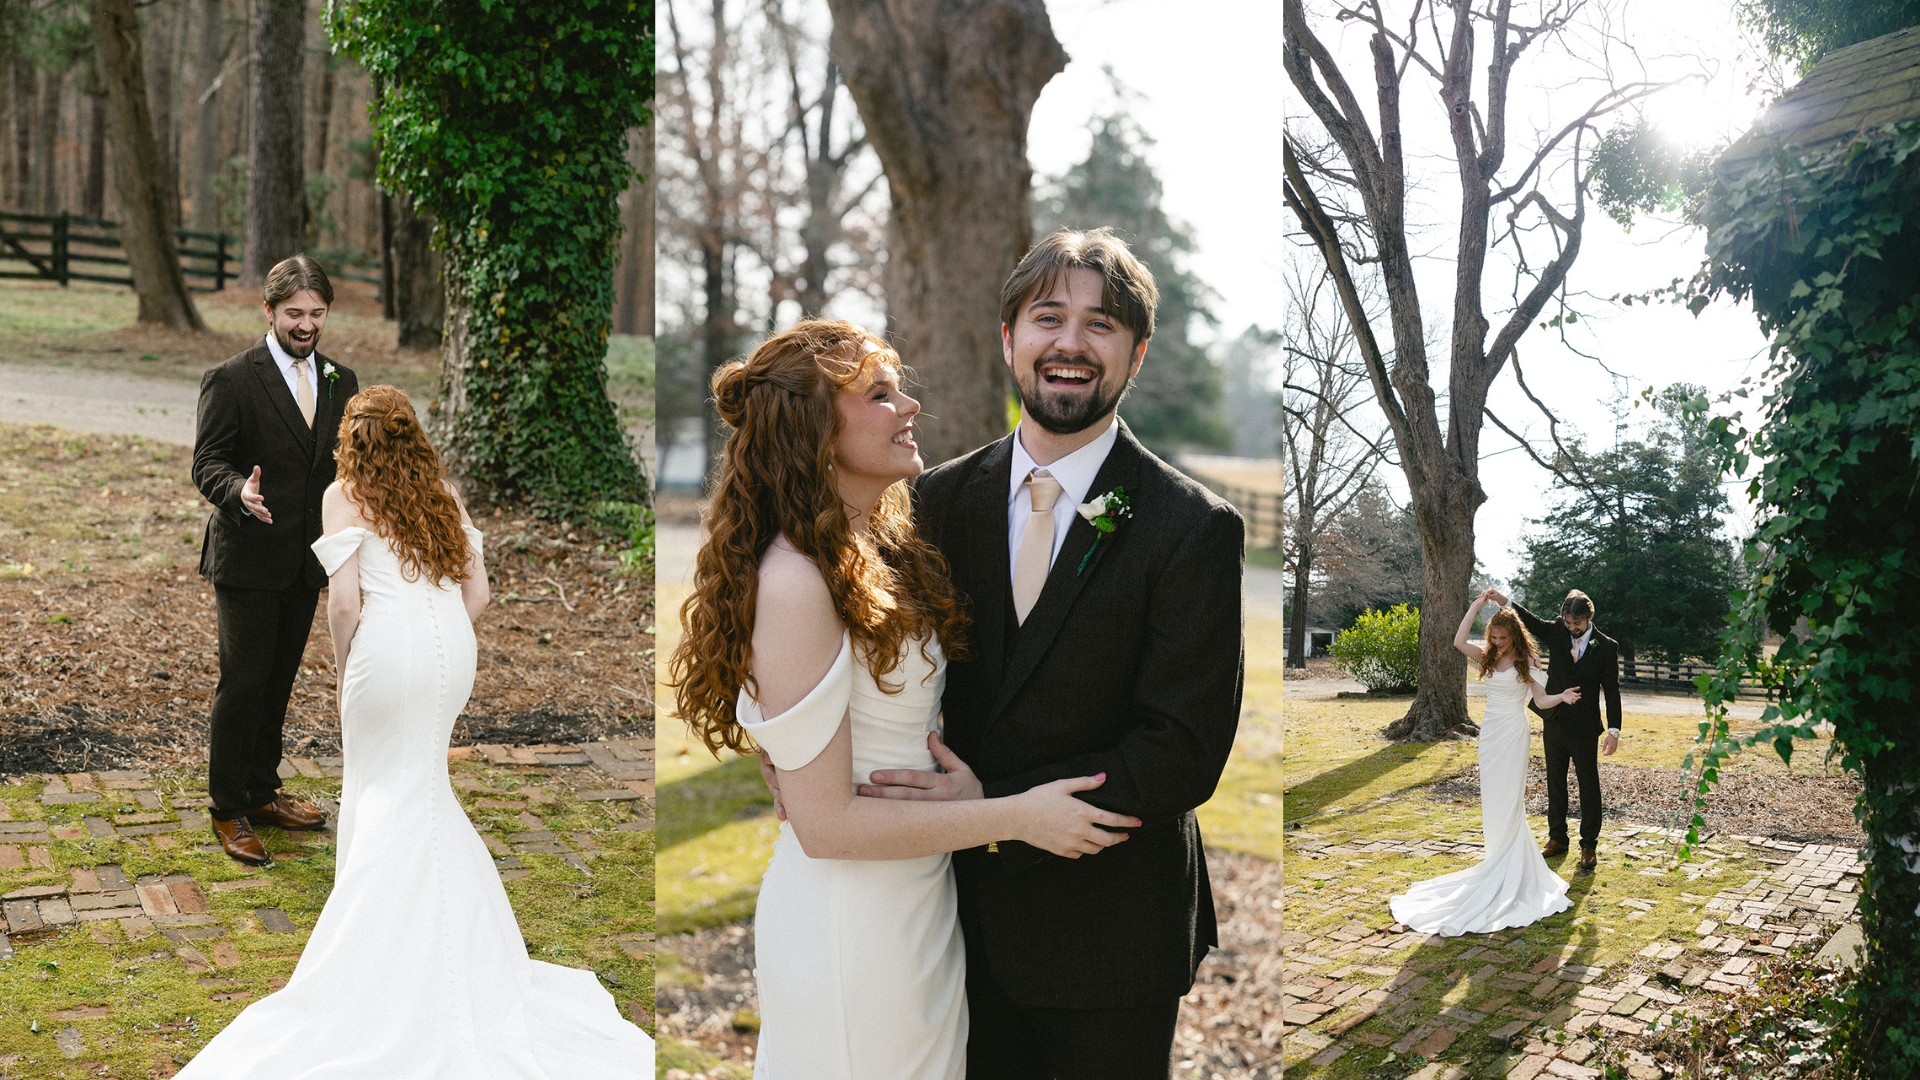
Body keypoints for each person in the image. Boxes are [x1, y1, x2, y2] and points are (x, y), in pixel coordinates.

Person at [669, 320, 1139, 1079]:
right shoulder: (796, 580)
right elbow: (823, 825)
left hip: (916, 896)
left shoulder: (875, 546)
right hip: (850, 919)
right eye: (880, 395)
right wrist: (1018, 816)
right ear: (813, 426)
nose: (910, 406)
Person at [176, 386, 653, 1078]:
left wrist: (345, 677)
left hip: (387, 650)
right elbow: (478, 594)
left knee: (382, 791)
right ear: (412, 437)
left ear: (352, 439)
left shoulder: (343, 494)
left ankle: (378, 950)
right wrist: (443, 639)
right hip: (449, 649)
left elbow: (343, 603)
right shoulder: (442, 493)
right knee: (425, 789)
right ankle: (453, 946)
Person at [866, 228, 1246, 1078]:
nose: (1070, 344)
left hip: (1109, 938)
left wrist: (990, 802)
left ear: (1136, 355)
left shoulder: (1193, 528)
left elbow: (1181, 751)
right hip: (945, 923)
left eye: (1101, 325)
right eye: (1048, 318)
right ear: (1010, 340)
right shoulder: (930, 502)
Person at [192, 254, 357, 866]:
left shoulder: (344, 379)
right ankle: (228, 809)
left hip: (308, 560)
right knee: (243, 683)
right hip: (247, 556)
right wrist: (239, 492)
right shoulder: (231, 378)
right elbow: (207, 463)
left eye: (316, 313)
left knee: (280, 681)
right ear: (269, 311)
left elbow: (345, 466)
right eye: (294, 313)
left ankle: (264, 793)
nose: (307, 324)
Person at [1388, 591, 1580, 935]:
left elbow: (1541, 699)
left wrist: (1562, 697)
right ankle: (1495, 861)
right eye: (1493, 637)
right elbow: (1459, 640)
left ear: (1516, 636)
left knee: (1510, 801)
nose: (1498, 642)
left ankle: (1513, 868)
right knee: (1493, 800)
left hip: (1514, 732)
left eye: (1503, 638)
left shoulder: (1527, 663)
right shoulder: (1488, 657)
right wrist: (1477, 606)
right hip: (1490, 733)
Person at [1488, 587, 1622, 872]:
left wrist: (1614, 730)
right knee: (1555, 781)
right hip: (1555, 720)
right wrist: (1503, 601)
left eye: (1576, 624)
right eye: (1567, 622)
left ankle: (1588, 845)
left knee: (1588, 784)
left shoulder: (1607, 646)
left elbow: (1612, 690)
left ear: (1589, 618)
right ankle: (1558, 838)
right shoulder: (1556, 631)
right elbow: (1529, 619)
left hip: (1585, 727)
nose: (1571, 628)